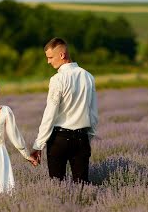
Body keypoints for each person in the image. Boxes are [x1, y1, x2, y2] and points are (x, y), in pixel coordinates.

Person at [31, 37, 98, 182]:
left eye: (50, 57)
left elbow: (50, 114)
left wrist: (38, 144)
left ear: (62, 55)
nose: (48, 61)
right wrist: (88, 138)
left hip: (59, 139)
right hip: (81, 139)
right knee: (82, 186)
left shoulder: (57, 79)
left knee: (57, 187)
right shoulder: (88, 77)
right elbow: (93, 113)